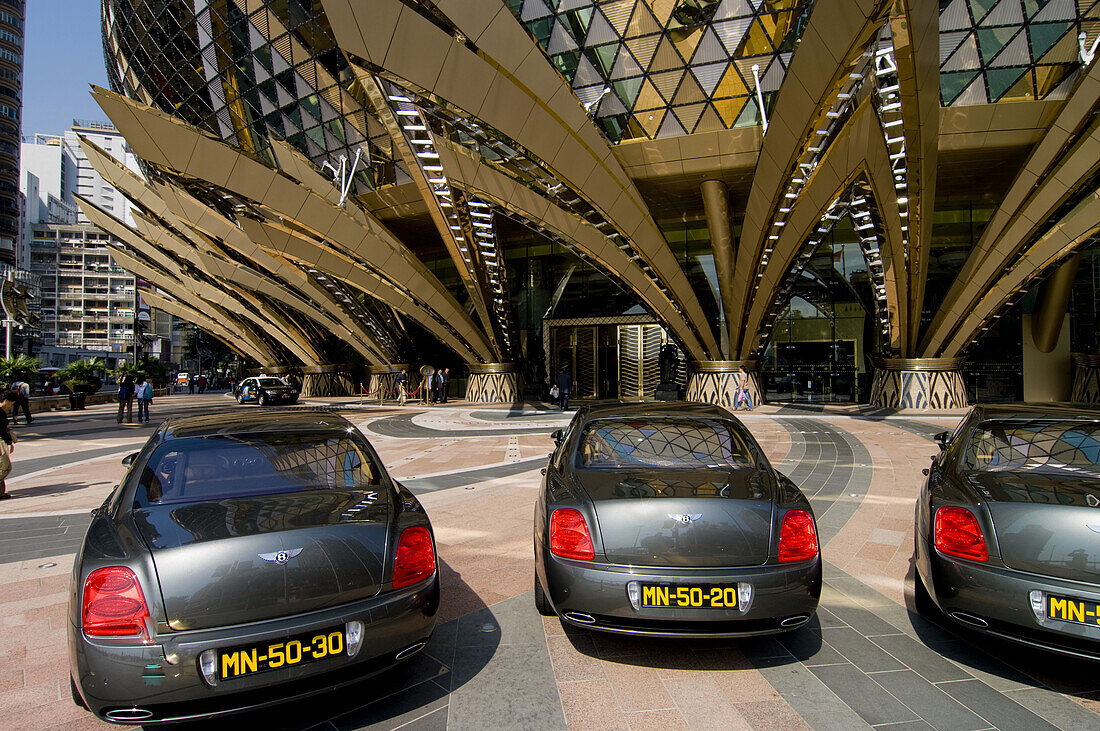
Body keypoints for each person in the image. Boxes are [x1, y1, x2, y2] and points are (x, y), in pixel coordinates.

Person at [0, 391, 15, 499]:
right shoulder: (0, 412)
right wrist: (9, 442)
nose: (11, 406)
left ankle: (0, 492)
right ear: (6, 401)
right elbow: (1, 430)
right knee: (6, 468)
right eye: (11, 403)